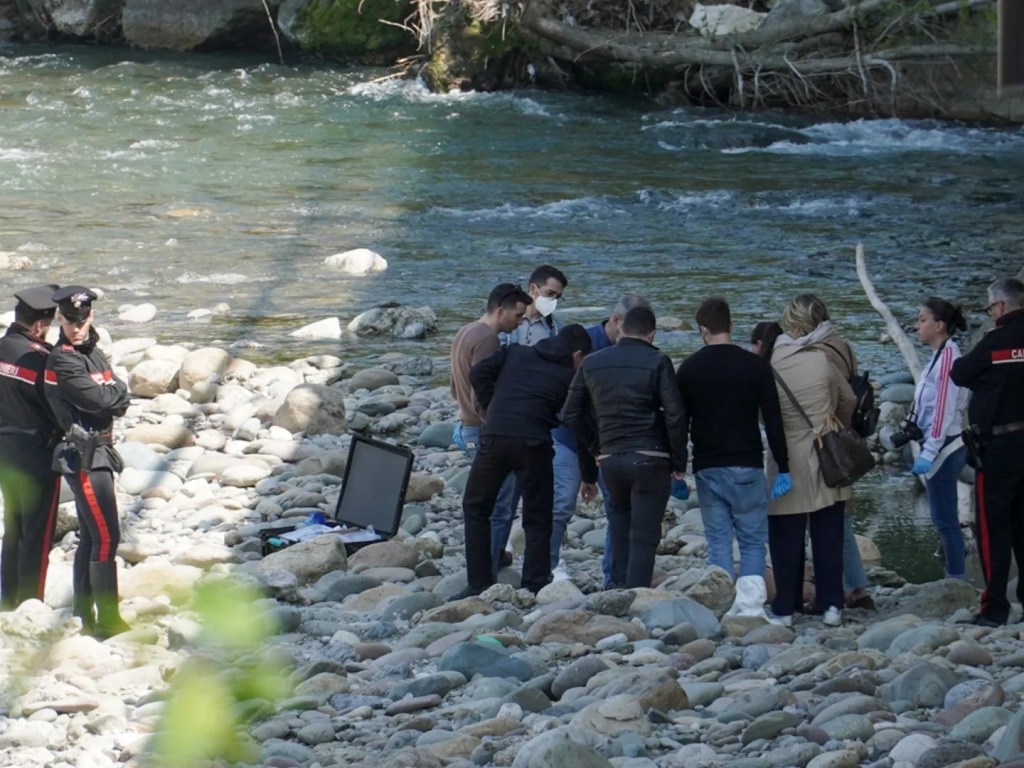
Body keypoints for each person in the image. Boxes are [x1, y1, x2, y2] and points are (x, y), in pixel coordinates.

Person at [457, 325, 593, 596]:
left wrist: (490, 407)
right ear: (577, 354)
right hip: (534, 444)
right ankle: (534, 583)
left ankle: (479, 584)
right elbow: (580, 424)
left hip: (495, 438)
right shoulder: (569, 377)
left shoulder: (516, 352)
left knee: (476, 508)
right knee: (538, 516)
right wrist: (589, 474)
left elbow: (478, 372)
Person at [676, 298, 791, 617]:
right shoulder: (755, 366)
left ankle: (723, 604)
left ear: (702, 330)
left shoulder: (689, 368)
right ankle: (751, 607)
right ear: (731, 325)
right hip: (747, 462)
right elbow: (774, 419)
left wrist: (676, 466)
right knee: (753, 539)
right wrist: (784, 466)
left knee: (718, 539)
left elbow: (679, 422)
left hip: (708, 464)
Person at [563, 306, 688, 588]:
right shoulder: (658, 361)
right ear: (652, 334)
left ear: (621, 329)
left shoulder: (592, 362)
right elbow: (676, 415)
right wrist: (679, 462)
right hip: (650, 456)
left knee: (619, 525)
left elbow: (570, 413)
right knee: (644, 533)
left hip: (610, 458)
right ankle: (637, 595)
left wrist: (596, 447)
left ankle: (616, 588)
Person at [45, 286, 133, 639]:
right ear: (59, 319)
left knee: (91, 537)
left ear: (91, 317)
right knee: (107, 537)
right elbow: (101, 400)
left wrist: (115, 396)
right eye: (69, 321)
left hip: (100, 452)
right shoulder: (64, 358)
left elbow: (117, 393)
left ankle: (86, 613)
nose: (76, 327)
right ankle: (109, 621)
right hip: (85, 456)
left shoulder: (91, 350)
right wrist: (115, 396)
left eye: (81, 320)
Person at [766, 295, 856, 627]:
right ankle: (832, 605)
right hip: (825, 452)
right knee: (828, 534)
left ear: (790, 321)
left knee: (785, 536)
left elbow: (765, 409)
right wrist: (835, 424)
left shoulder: (774, 358)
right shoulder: (823, 360)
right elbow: (848, 398)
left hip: (786, 457)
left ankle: (786, 609)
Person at [549, 294, 651, 584]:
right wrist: (589, 458)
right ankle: (546, 569)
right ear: (616, 321)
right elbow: (570, 406)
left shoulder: (639, 348)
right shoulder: (584, 345)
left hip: (616, 443)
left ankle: (614, 577)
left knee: (620, 509)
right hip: (570, 437)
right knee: (561, 504)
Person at [950, 277, 1024, 627]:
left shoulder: (995, 342)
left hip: (999, 447)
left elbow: (960, 372)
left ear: (999, 307)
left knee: (993, 527)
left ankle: (995, 607)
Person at [450, 283, 533, 574]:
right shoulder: (488, 340)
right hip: (485, 430)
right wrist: (498, 426)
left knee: (486, 498)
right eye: (518, 316)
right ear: (500, 311)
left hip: (466, 425)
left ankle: (489, 555)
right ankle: (491, 561)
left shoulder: (465, 331)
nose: (521, 321)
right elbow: (482, 390)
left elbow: (455, 386)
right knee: (502, 501)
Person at [0, 285, 63, 609]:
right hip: (36, 452)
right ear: (40, 325)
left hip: (4, 449)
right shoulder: (42, 361)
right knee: (37, 532)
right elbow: (58, 410)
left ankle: (7, 598)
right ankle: (30, 601)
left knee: (14, 525)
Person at [910, 298, 970, 580]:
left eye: (922, 320)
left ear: (940, 325)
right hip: (937, 443)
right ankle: (953, 572)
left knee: (946, 520)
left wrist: (930, 450)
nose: (916, 325)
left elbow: (944, 408)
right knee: (941, 517)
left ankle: (955, 579)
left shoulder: (949, 357)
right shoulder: (938, 355)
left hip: (945, 445)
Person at [503, 265, 568, 346]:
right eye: (550, 293)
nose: (554, 300)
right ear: (532, 288)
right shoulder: (505, 319)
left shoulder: (557, 329)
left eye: (557, 297)